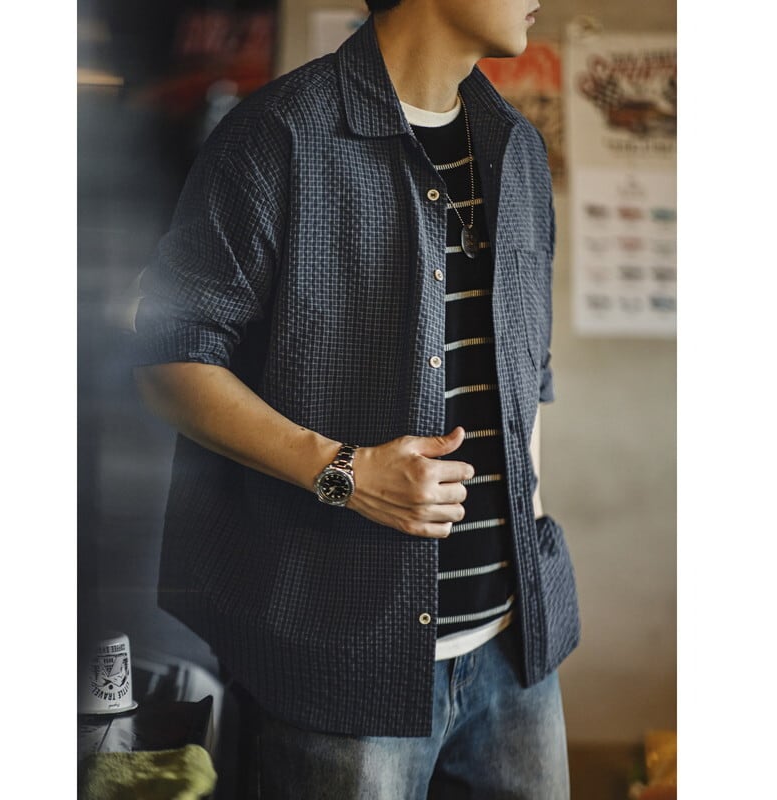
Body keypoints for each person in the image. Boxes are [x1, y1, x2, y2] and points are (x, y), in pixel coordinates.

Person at [132, 0, 580, 797]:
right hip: (341, 665)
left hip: (515, 653)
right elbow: (170, 358)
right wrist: (344, 472)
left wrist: (533, 521)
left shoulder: (515, 144)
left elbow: (527, 369)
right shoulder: (277, 136)